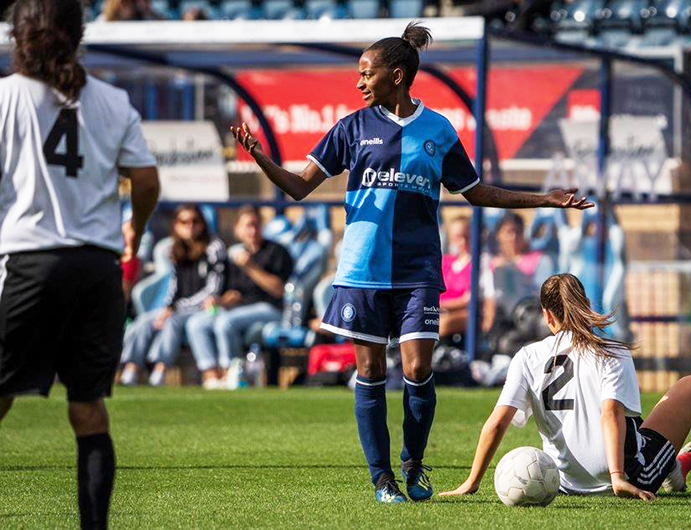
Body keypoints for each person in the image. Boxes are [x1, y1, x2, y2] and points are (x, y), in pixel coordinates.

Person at [230, 21, 593, 504]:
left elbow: (476, 191)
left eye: (367, 73)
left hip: (418, 271)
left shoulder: (438, 130)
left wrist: (545, 200)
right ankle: (383, 480)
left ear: (396, 75)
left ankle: (414, 465)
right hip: (362, 271)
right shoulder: (350, 128)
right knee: (371, 370)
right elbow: (298, 187)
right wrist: (260, 158)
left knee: (419, 368)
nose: (359, 82)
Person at [0, 2, 160, 529]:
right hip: (96, 270)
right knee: (88, 410)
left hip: (28, 263)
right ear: (77, 35)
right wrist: (134, 225)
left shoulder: (5, 97)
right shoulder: (112, 101)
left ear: (20, 36)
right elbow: (146, 180)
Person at [441, 273, 691, 500]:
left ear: (547, 317)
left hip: (564, 483)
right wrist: (618, 477)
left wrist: (470, 483)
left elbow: (498, 421)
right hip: (624, 475)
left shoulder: (526, 356)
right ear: (587, 307)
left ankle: (675, 465)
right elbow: (611, 413)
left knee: (640, 429)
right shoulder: (612, 351)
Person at [185, 205, 293, 389]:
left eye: (255, 225)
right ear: (237, 229)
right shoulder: (233, 255)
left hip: (270, 309)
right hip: (240, 309)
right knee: (196, 323)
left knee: (225, 322)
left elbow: (279, 290)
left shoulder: (276, 251)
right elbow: (232, 294)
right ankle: (211, 375)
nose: (252, 230)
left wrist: (250, 267)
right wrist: (219, 301)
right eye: (247, 226)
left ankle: (232, 374)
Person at [119, 205, 227, 387]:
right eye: (184, 222)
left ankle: (160, 370)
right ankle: (131, 369)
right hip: (180, 308)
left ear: (203, 224)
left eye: (195, 221)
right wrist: (168, 308)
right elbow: (174, 287)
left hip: (205, 309)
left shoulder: (214, 247)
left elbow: (212, 290)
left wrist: (174, 309)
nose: (190, 226)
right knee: (145, 321)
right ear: (176, 225)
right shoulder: (176, 249)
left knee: (172, 321)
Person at [439, 216, 494, 339]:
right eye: (458, 237)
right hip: (442, 311)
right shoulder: (446, 262)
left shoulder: (481, 261)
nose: (463, 242)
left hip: (469, 313)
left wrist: (439, 305)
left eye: (467, 236)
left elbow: (468, 299)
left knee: (442, 324)